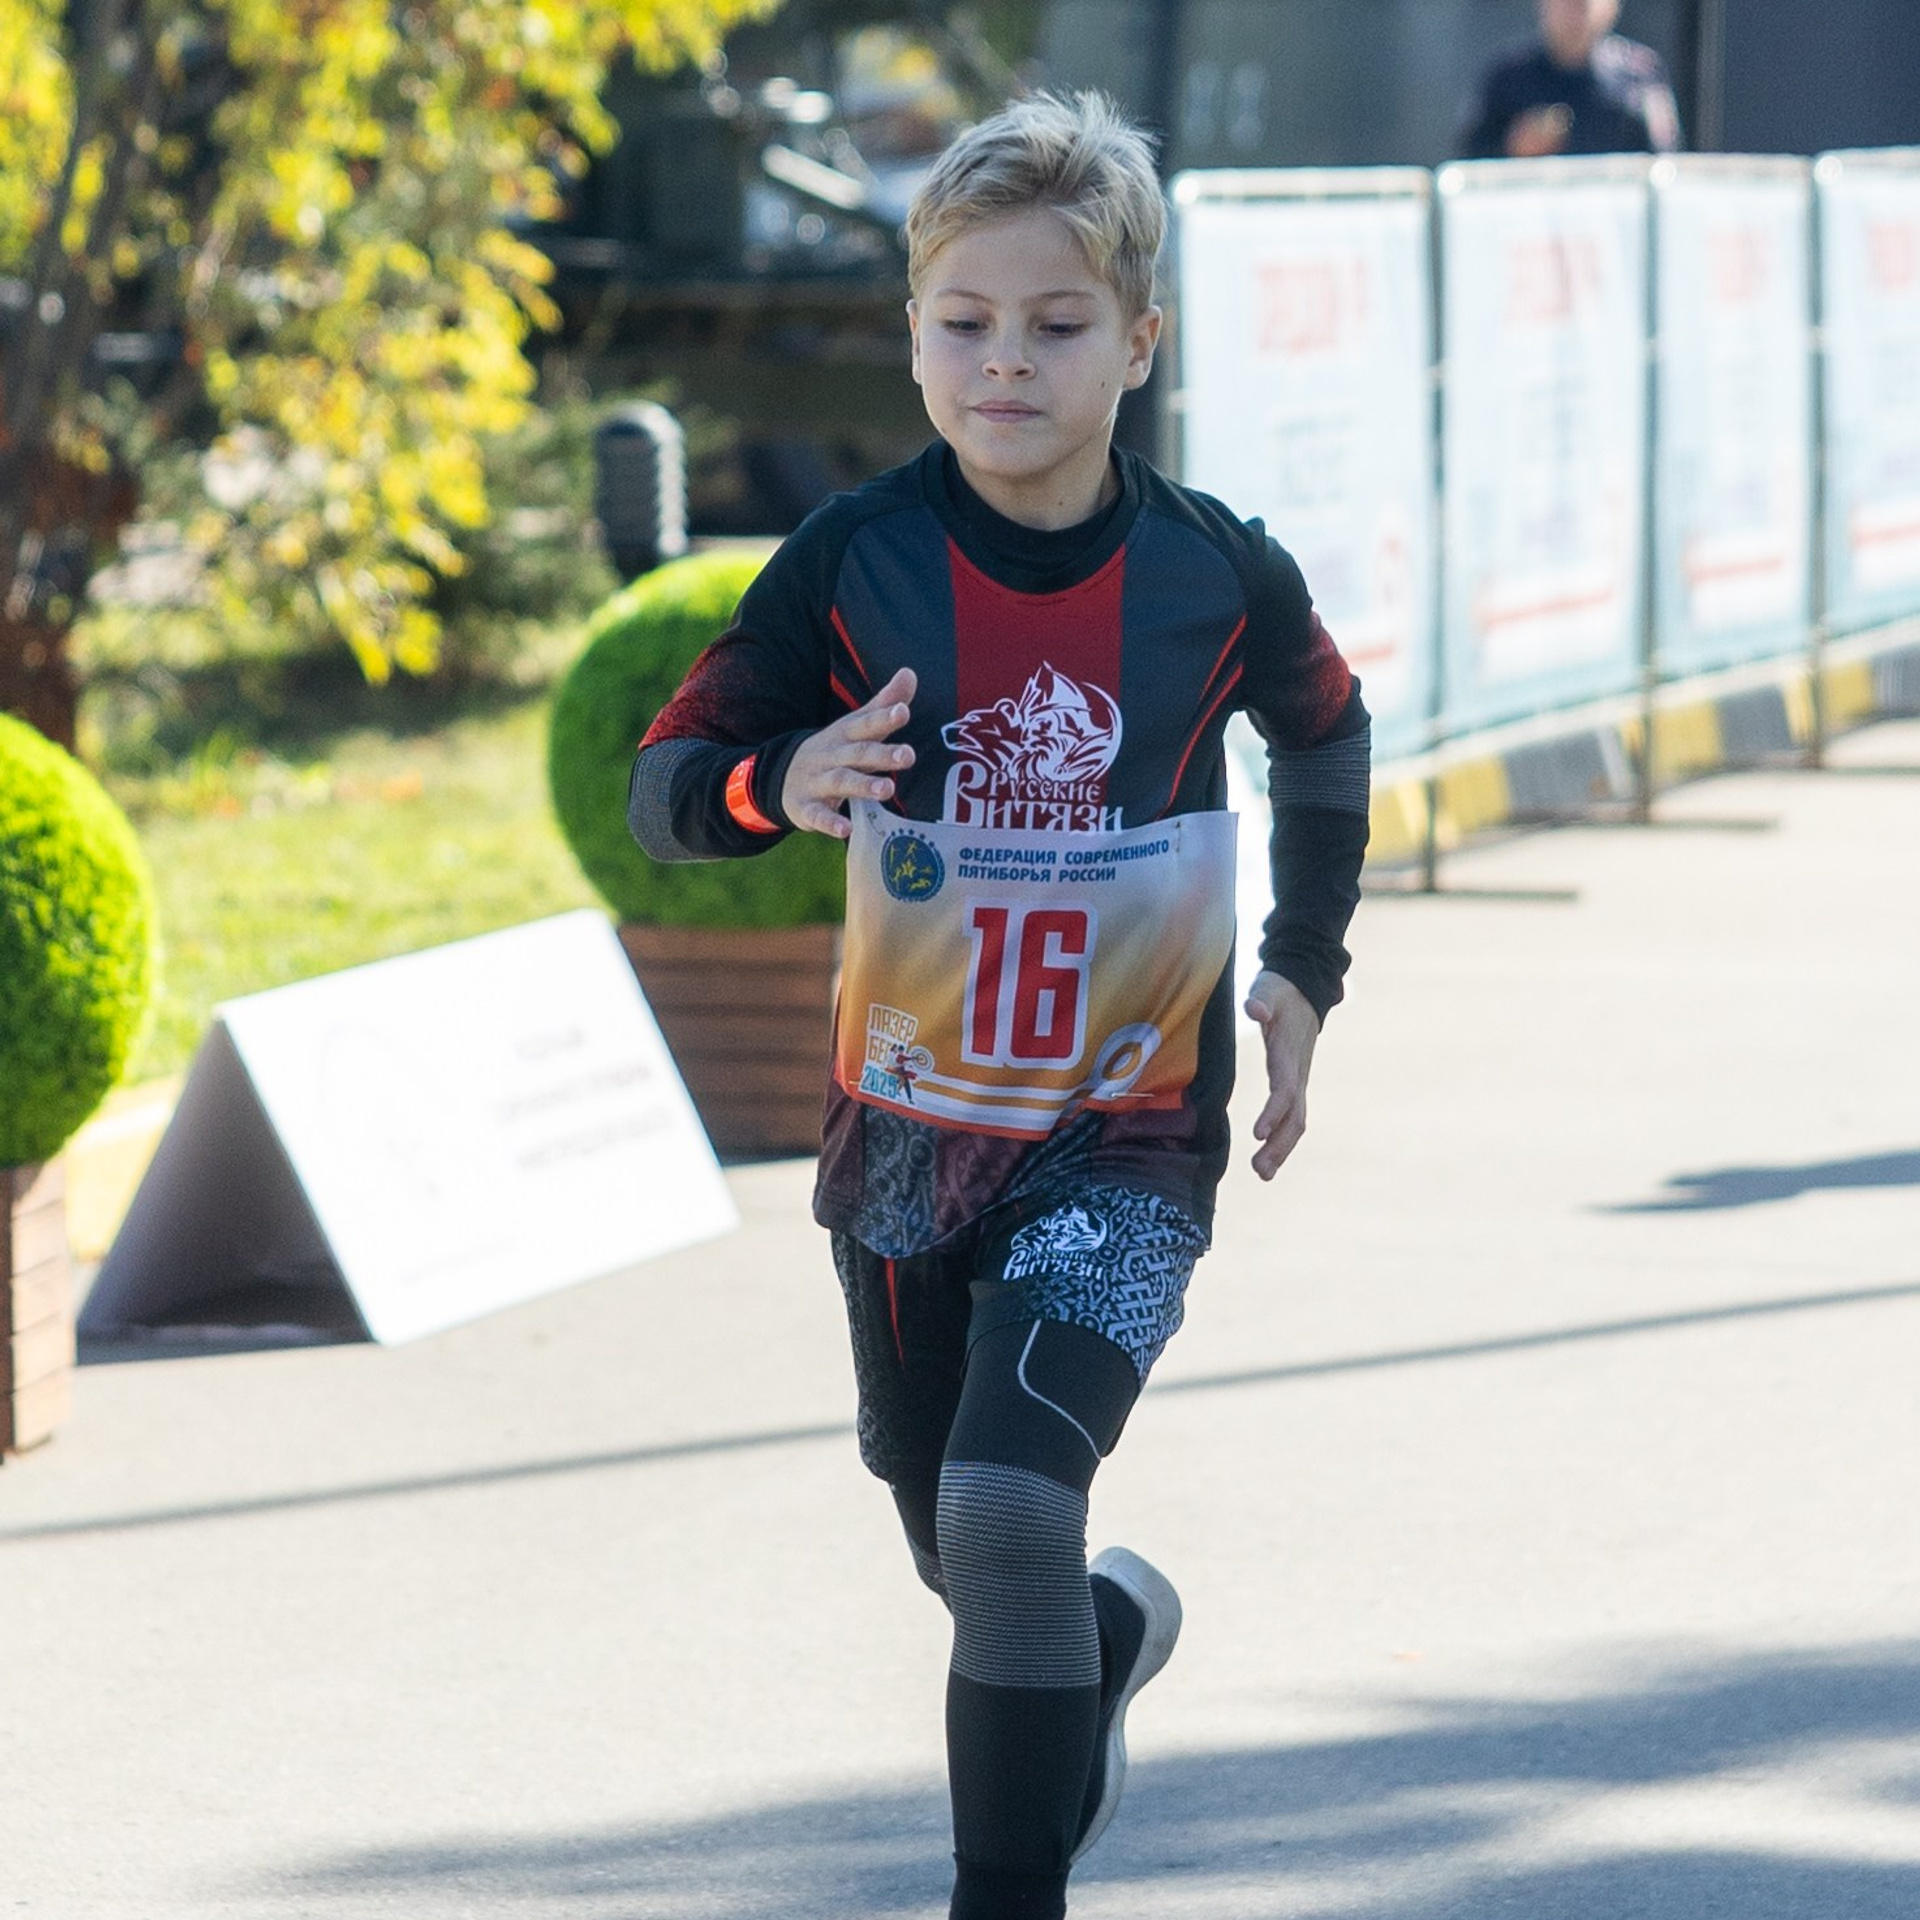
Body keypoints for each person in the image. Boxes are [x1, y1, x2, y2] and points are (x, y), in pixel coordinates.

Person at [626, 90, 1370, 1920]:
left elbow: (1331, 732)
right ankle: (1100, 1647)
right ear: (912, 336)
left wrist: (1298, 969)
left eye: (1055, 328)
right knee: (961, 1531)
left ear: (1139, 345)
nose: (1005, 363)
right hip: (904, 1153)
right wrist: (778, 779)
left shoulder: (1213, 567)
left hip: (1127, 1140)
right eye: (965, 323)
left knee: (1015, 1508)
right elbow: (670, 780)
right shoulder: (856, 563)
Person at [1461, 0, 1682, 160]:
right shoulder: (1507, 77)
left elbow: (1665, 159)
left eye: (1583, 3)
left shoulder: (1639, 74)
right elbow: (1472, 162)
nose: (1574, 10)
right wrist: (1513, 146)